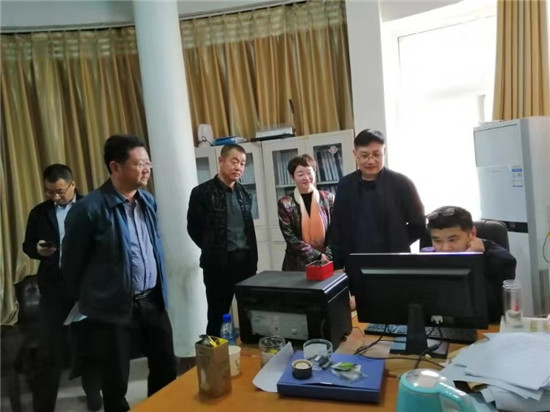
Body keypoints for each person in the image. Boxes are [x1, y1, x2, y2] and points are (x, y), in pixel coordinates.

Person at [62, 135, 176, 412]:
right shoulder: (88, 210)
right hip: (111, 309)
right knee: (115, 382)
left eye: (148, 163)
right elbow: (72, 266)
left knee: (165, 368)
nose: (147, 170)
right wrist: (95, 300)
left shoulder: (147, 201)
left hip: (152, 300)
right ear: (115, 167)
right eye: (140, 164)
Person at [22, 164, 102, 412]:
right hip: (54, 290)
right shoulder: (39, 213)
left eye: (59, 191)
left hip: (87, 288)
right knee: (48, 352)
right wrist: (37, 249)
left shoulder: (92, 207)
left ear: (72, 185)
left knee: (90, 346)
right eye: (49, 192)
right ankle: (43, 407)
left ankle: (94, 395)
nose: (55, 197)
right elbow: (27, 245)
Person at [188, 144, 258, 336]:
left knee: (250, 314)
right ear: (221, 161)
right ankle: (214, 353)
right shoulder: (202, 192)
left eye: (242, 163)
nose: (239, 167)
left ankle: (248, 350)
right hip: (217, 265)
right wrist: (212, 247)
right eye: (234, 161)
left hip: (246, 263)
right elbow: (193, 228)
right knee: (217, 315)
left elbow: (248, 230)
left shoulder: (245, 194)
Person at [330, 129, 426, 271]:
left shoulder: (402, 183)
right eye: (364, 155)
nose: (371, 160)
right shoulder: (345, 185)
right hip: (355, 262)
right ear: (355, 154)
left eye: (376, 154)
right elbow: (336, 227)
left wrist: (396, 242)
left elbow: (418, 224)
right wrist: (337, 264)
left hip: (394, 262)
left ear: (384, 153)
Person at [422, 206, 517, 323]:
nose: (445, 248)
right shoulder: (426, 258)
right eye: (437, 241)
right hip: (439, 327)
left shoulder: (501, 260)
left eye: (452, 240)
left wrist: (469, 261)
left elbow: (492, 311)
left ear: (472, 233)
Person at [278, 154, 334, 271]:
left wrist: (327, 255)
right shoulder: (285, 203)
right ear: (292, 177)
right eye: (300, 174)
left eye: (309, 172)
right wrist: (317, 256)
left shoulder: (328, 198)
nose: (306, 177)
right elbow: (290, 237)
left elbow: (336, 229)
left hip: (328, 261)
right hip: (297, 264)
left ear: (315, 173)